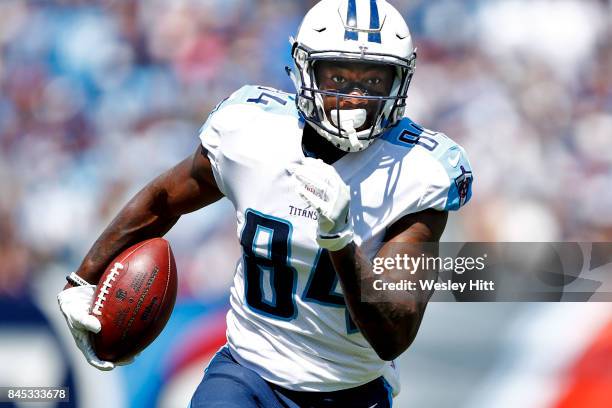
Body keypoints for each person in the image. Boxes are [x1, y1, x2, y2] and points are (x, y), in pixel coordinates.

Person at [57, 0, 473, 406]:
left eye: (373, 82)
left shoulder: (419, 172)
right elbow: (164, 200)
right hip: (247, 373)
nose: (353, 99)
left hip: (350, 389)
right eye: (338, 79)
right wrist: (83, 278)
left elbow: (393, 334)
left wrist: (339, 240)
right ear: (305, 69)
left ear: (399, 82)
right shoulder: (251, 132)